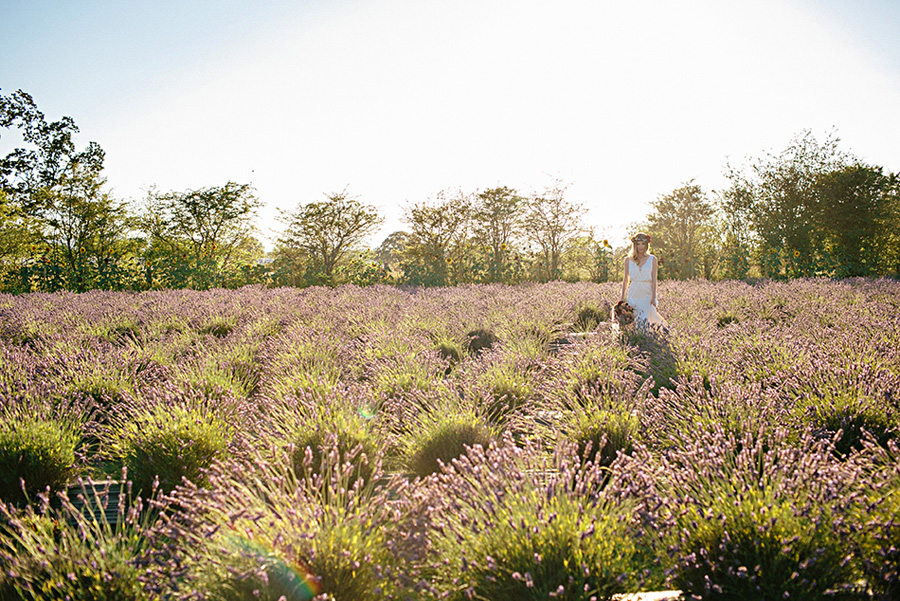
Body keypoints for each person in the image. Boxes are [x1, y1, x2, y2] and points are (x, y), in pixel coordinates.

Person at [619, 232, 667, 327]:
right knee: (633, 320)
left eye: (643, 244)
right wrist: (622, 297)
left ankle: (648, 339)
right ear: (635, 245)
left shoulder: (652, 259)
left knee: (646, 320)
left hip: (646, 293)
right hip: (633, 293)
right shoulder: (628, 260)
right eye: (638, 244)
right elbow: (626, 280)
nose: (640, 247)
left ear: (646, 245)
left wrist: (653, 297)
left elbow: (654, 280)